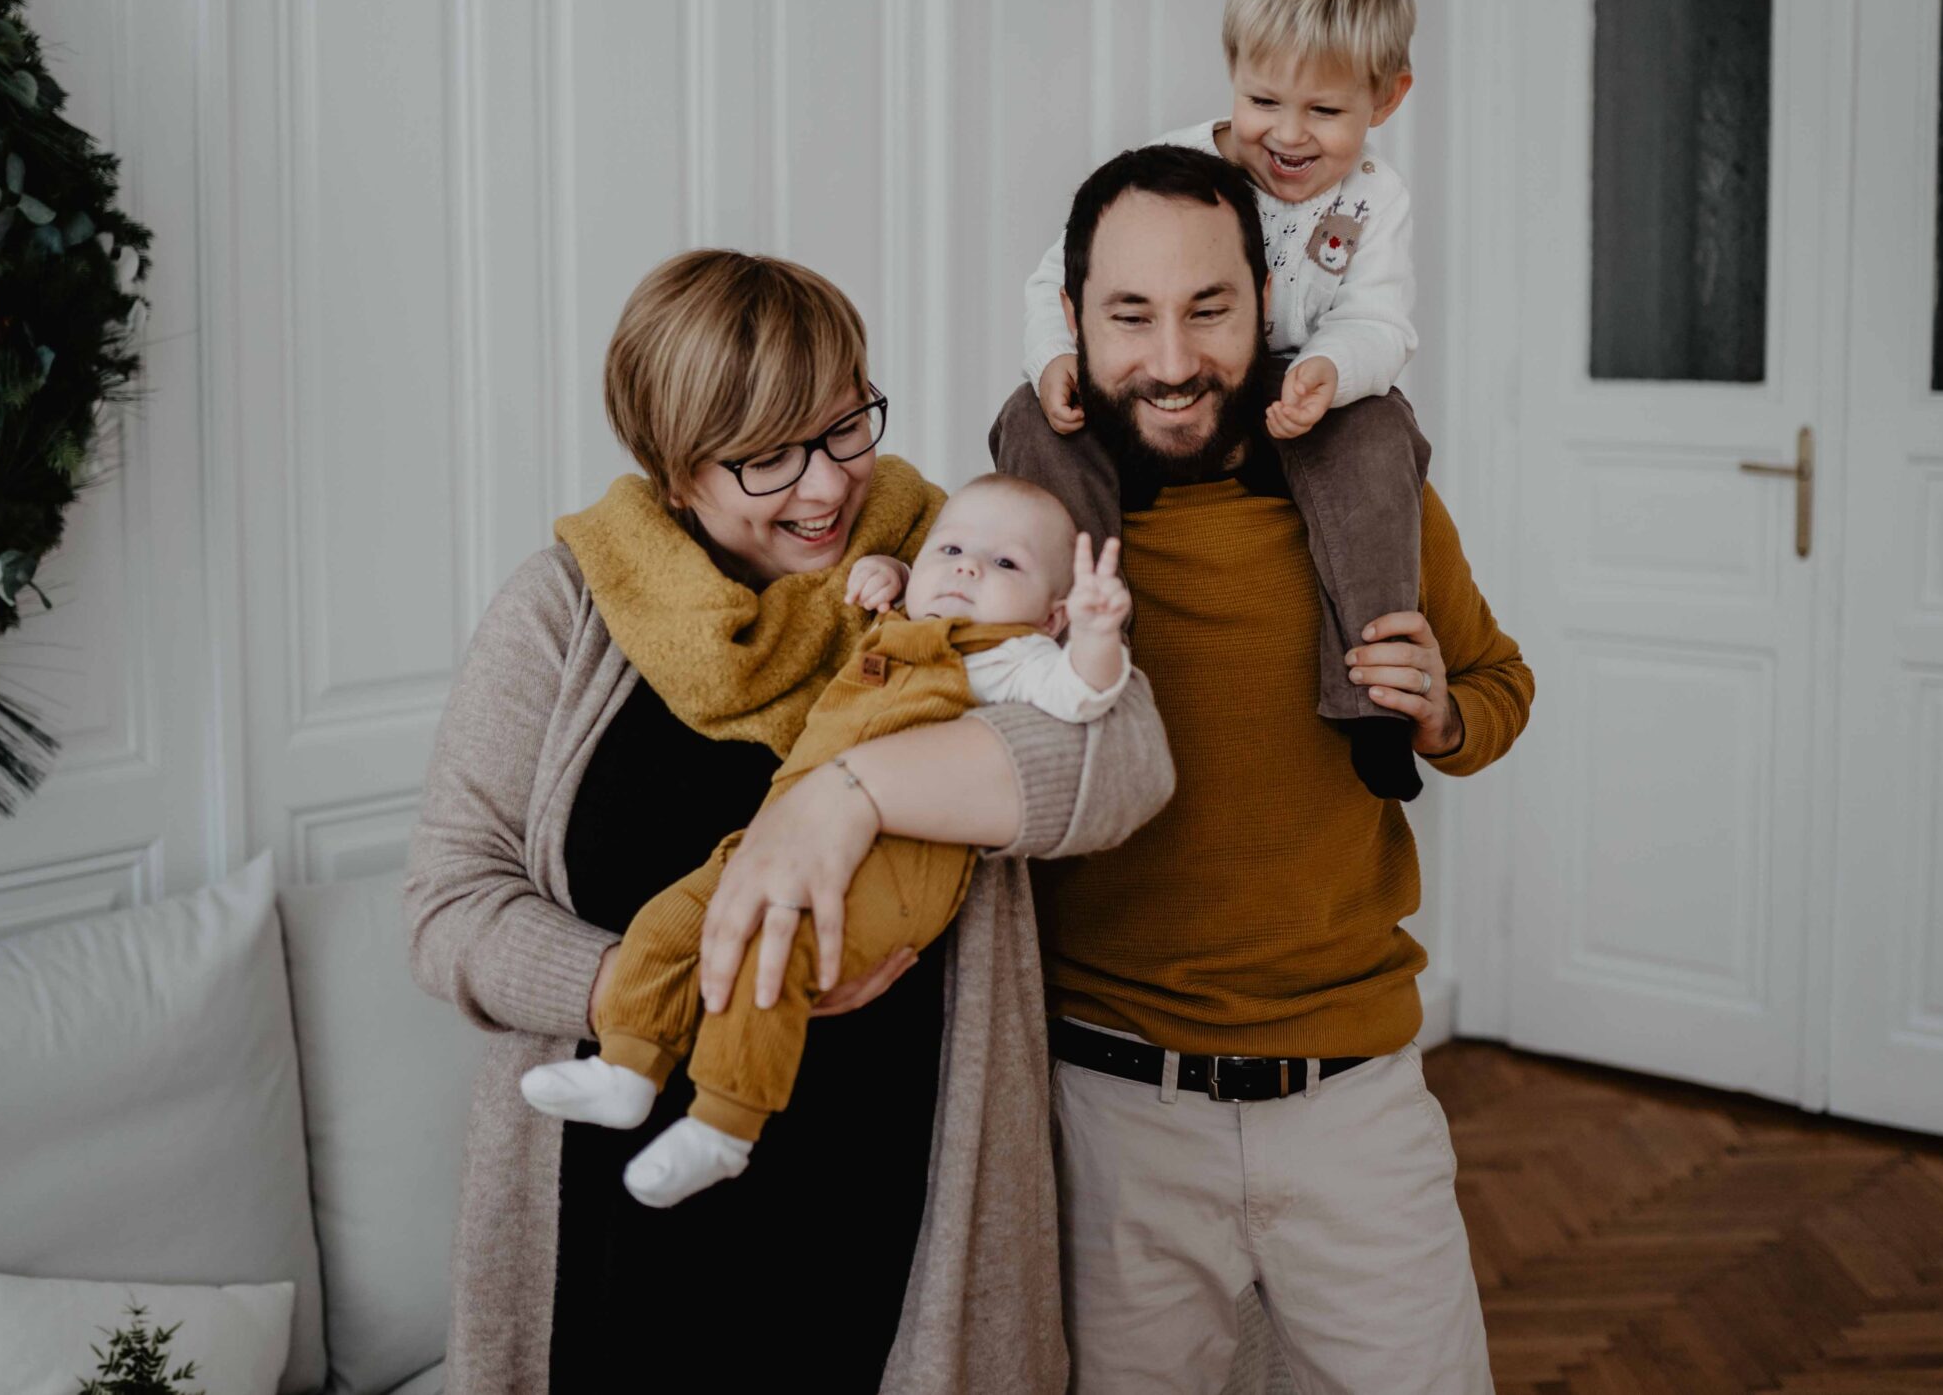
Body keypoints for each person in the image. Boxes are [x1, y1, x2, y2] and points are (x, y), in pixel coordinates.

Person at [406, 249, 1174, 1395]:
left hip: (893, 1204)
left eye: (842, 428)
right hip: (621, 1215)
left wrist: (843, 795)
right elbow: (448, 908)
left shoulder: (952, 558)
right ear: (673, 470)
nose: (825, 489)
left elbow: (1123, 761)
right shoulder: (563, 611)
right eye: (765, 457)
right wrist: (656, 987)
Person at [992, 146, 1533, 1394]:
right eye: (1129, 315)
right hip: (1105, 1111)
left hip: (1357, 1109)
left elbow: (1501, 684)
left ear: (1267, 305)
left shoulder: (1370, 498)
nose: (1172, 361)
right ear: (1071, 319)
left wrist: (1445, 715)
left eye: (1210, 310)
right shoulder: (1021, 526)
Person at [518, 474, 1134, 1211]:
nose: (969, 568)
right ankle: (629, 1065)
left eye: (1006, 565)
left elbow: (1088, 700)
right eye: (954, 549)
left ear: (1050, 612)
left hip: (898, 870)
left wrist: (1095, 640)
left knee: (774, 950)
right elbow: (924, 583)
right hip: (771, 839)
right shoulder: (902, 619)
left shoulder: (1013, 658)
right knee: (673, 917)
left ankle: (722, 1123)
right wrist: (901, 574)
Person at [1000, 0, 1432, 801]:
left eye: (1326, 111)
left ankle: (1372, 693)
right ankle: (1069, 658)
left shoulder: (1376, 202)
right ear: (1232, 75)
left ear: (1386, 100)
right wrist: (1055, 361)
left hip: (1289, 397)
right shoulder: (1178, 168)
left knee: (1380, 426)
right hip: (1168, 393)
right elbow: (1059, 278)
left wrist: (1332, 371)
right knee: (1029, 417)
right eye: (1264, 100)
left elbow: (1381, 321)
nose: (1290, 136)